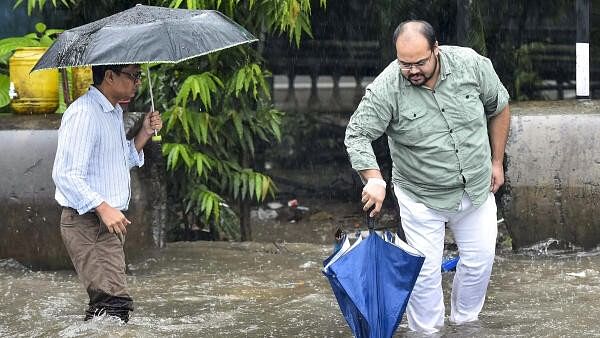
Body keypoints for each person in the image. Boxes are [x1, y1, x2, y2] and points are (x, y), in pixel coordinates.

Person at [344, 20, 510, 333]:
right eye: (405, 64)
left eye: (420, 62)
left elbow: (499, 106)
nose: (413, 70)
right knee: (425, 274)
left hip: (475, 186)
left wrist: (497, 161)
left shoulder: (471, 65)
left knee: (480, 261)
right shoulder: (387, 87)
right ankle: (427, 331)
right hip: (421, 195)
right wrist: (375, 179)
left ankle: (465, 324)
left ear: (436, 50)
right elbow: (357, 134)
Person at [52, 63, 162, 323]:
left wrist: (145, 131)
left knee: (109, 308)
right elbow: (66, 174)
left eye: (137, 76)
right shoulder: (84, 114)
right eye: (132, 76)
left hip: (107, 224)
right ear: (110, 76)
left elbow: (118, 160)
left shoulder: (112, 112)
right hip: (88, 223)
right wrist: (103, 207)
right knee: (113, 305)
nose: (137, 82)